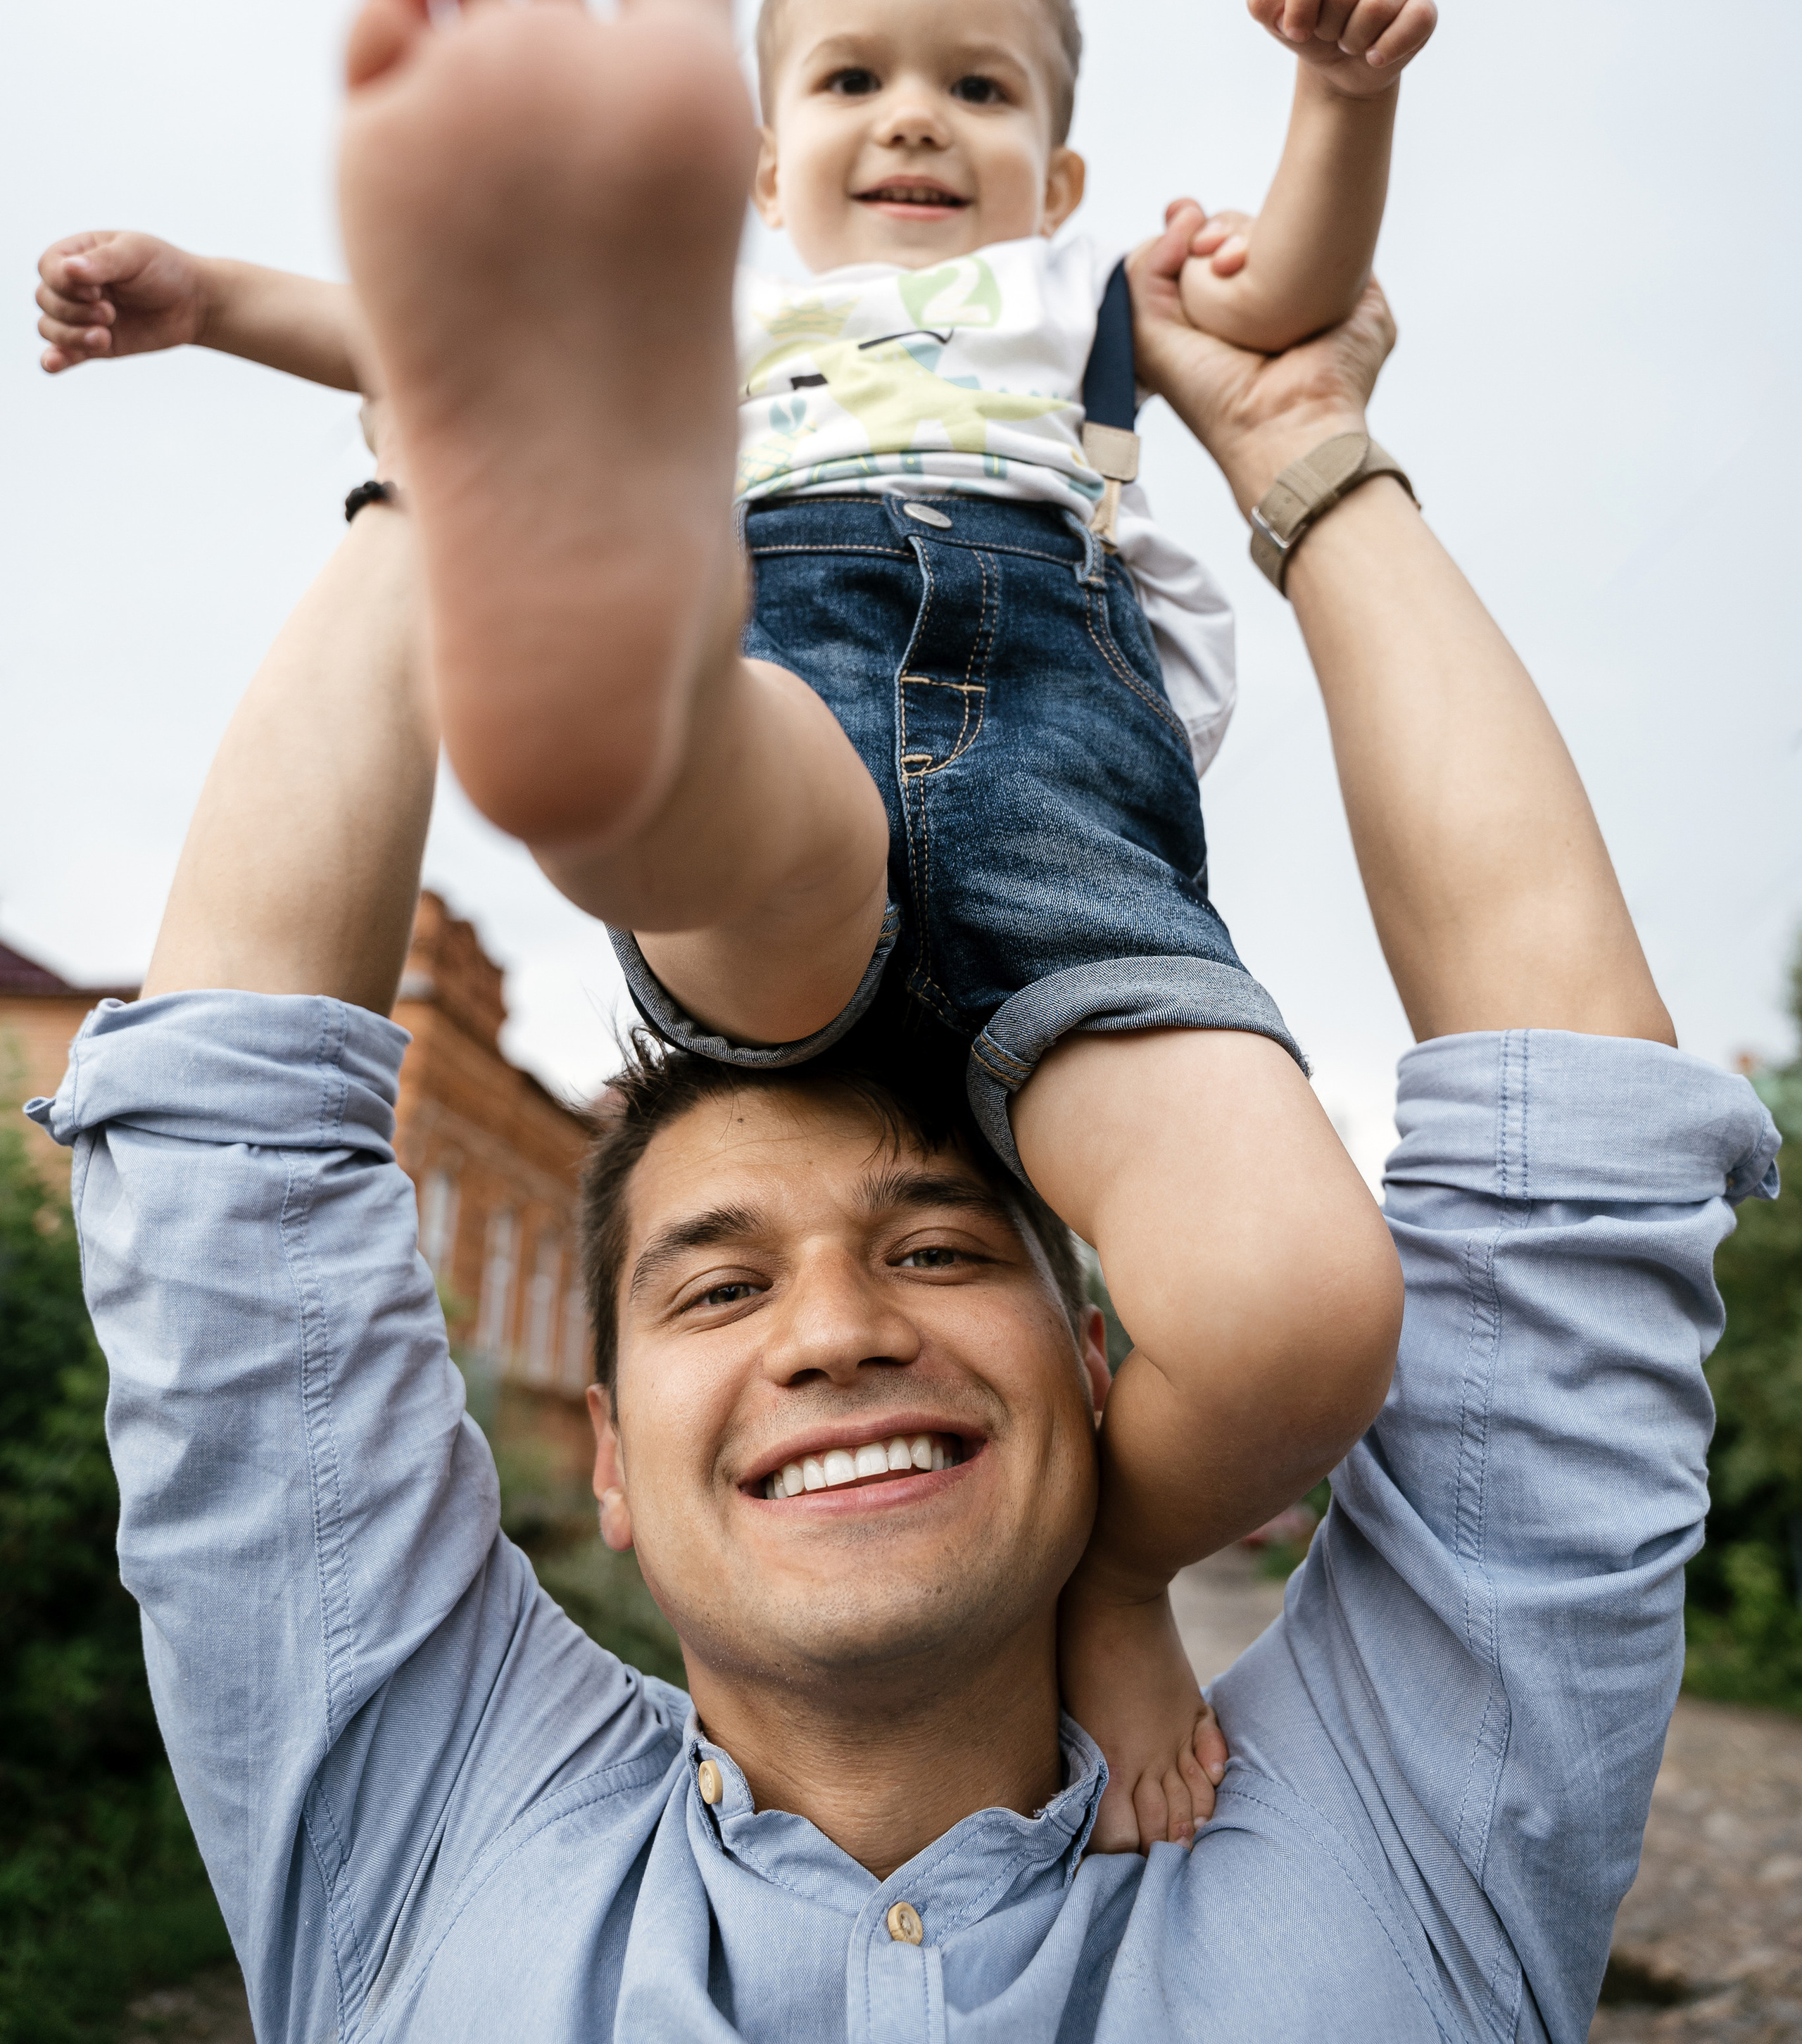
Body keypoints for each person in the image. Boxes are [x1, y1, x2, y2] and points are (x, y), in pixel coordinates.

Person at [31, 209, 1776, 2039]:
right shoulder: (416, 1834)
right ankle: (665, 708)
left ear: (1102, 1364)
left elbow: (1564, 1177)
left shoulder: (1417, 1838)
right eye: (713, 1291)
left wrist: (1305, 449)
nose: (841, 1333)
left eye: (940, 1249)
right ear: (607, 1461)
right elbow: (243, 1216)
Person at [33, 0, 1433, 1841]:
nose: (917, 118)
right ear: (770, 166)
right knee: (714, 721)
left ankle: (1109, 1577)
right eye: (856, 79)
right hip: (793, 746)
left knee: (1308, 1310)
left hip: (1071, 838)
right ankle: (607, 707)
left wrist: (1338, 95)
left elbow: (1285, 291)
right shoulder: (724, 314)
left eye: (978, 85)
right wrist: (210, 300)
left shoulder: (1088, 295)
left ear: (1061, 169)